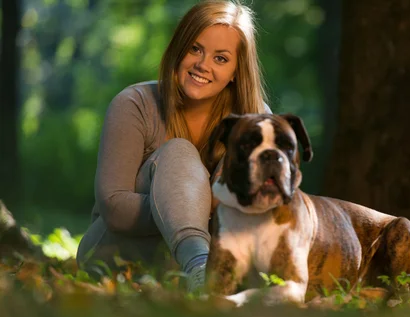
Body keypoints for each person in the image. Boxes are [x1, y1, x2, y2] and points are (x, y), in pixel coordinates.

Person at [76, 0, 270, 292]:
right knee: (178, 153)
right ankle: (198, 265)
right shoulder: (134, 104)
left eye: (220, 58)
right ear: (179, 49)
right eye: (195, 48)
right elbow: (115, 208)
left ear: (236, 71)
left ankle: (199, 273)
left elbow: (247, 212)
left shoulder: (255, 119)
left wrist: (186, 206)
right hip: (113, 252)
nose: (203, 65)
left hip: (187, 261)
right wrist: (189, 208)